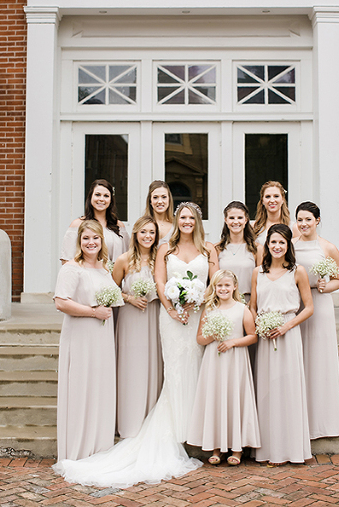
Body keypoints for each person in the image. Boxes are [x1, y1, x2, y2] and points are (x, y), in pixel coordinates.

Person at [53, 202, 218, 488]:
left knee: (197, 368)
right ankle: (175, 426)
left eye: (192, 217)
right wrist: (170, 307)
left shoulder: (209, 249)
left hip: (198, 315)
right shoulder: (160, 252)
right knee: (175, 371)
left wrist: (197, 300)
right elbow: (153, 283)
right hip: (171, 317)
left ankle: (198, 425)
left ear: (198, 221)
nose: (187, 221)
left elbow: (215, 282)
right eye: (183, 217)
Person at [54, 220, 118, 461]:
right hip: (81, 336)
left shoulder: (104, 268)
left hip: (101, 336)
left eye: (95, 238)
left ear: (102, 241)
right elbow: (61, 302)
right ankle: (79, 450)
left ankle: (99, 447)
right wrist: (94, 312)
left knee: (99, 388)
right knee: (81, 388)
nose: (91, 243)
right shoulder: (71, 268)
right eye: (86, 239)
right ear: (79, 242)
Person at [250, 224, 314, 463]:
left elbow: (309, 307)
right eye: (273, 242)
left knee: (288, 389)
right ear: (267, 245)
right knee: (267, 390)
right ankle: (268, 449)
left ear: (288, 246)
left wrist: (286, 326)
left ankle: (292, 449)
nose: (277, 247)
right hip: (267, 336)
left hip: (288, 334)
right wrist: (260, 324)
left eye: (282, 243)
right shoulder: (258, 272)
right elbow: (253, 306)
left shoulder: (298, 271)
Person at [187, 270, 260, 466]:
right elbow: (200, 338)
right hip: (214, 361)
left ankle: (237, 449)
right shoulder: (209, 309)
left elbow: (252, 336)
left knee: (234, 397)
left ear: (235, 287)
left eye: (227, 285)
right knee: (217, 399)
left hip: (235, 360)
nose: (223, 289)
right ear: (214, 288)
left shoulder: (242, 309)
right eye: (219, 285)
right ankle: (216, 448)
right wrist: (214, 336)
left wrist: (233, 342)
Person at [293, 201, 339, 440]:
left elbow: (338, 280)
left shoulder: (329, 248)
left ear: (317, 221)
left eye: (308, 220)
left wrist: (325, 286)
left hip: (320, 304)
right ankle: (298, 419)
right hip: (296, 306)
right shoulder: (290, 246)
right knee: (298, 359)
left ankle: (322, 423)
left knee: (319, 361)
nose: (303, 224)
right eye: (300, 220)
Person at [112, 215, 163, 438]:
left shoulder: (161, 260)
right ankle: (129, 422)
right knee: (131, 367)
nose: (147, 236)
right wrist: (130, 298)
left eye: (151, 232)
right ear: (135, 234)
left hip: (153, 316)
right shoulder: (123, 260)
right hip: (131, 317)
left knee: (153, 364)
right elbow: (111, 290)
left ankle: (150, 420)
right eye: (143, 232)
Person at [61, 179, 127, 263]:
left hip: (114, 275)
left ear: (111, 200)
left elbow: (127, 258)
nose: (101, 199)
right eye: (97, 195)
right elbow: (66, 260)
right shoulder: (78, 224)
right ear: (90, 197)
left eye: (106, 196)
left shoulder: (119, 226)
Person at [216, 201, 262, 301]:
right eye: (232, 218)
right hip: (223, 301)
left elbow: (261, 281)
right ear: (226, 220)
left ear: (246, 220)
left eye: (240, 218)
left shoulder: (257, 249)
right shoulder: (217, 249)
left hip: (249, 300)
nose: (236, 222)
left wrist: (252, 306)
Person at [253, 181, 295, 245]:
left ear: (283, 199)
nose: (272, 200)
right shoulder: (254, 227)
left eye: (276, 196)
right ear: (262, 201)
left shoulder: (293, 228)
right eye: (268, 196)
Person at [143, 180, 175, 244]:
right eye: (155, 197)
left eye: (164, 197)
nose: (160, 201)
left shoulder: (176, 226)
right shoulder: (142, 225)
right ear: (150, 201)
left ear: (169, 199)